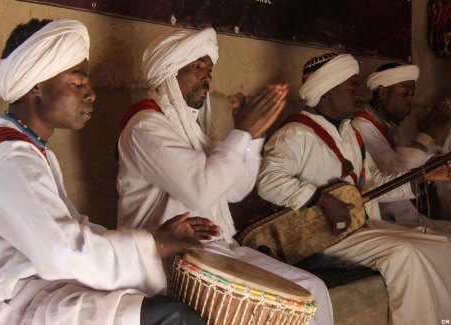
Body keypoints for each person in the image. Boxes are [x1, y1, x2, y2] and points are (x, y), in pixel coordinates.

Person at [0, 18, 221, 325]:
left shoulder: (20, 144)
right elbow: (65, 251)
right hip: (2, 305)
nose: (91, 94)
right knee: (173, 316)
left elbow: (71, 226)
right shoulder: (11, 157)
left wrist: (152, 238)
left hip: (28, 290)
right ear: (35, 85)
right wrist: (152, 246)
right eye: (76, 83)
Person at [117, 27, 334, 325]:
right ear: (170, 70)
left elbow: (234, 191)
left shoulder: (197, 128)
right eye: (197, 67)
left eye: (210, 69)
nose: (207, 77)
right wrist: (241, 133)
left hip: (216, 249)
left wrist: (253, 137)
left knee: (312, 291)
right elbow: (199, 190)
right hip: (169, 258)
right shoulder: (146, 126)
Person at [257, 52, 451, 324]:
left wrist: (422, 177)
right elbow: (268, 182)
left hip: (356, 229)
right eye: (352, 87)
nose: (359, 95)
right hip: (320, 238)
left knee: (441, 244)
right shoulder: (295, 133)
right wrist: (320, 199)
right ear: (329, 90)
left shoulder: (349, 133)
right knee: (404, 255)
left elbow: (372, 185)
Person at [351, 63, 451, 232]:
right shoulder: (361, 128)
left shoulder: (391, 129)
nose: (411, 100)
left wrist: (432, 154)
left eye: (412, 94)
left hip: (409, 219)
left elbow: (414, 164)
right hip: (388, 225)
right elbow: (397, 177)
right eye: (405, 93)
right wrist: (427, 136)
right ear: (382, 92)